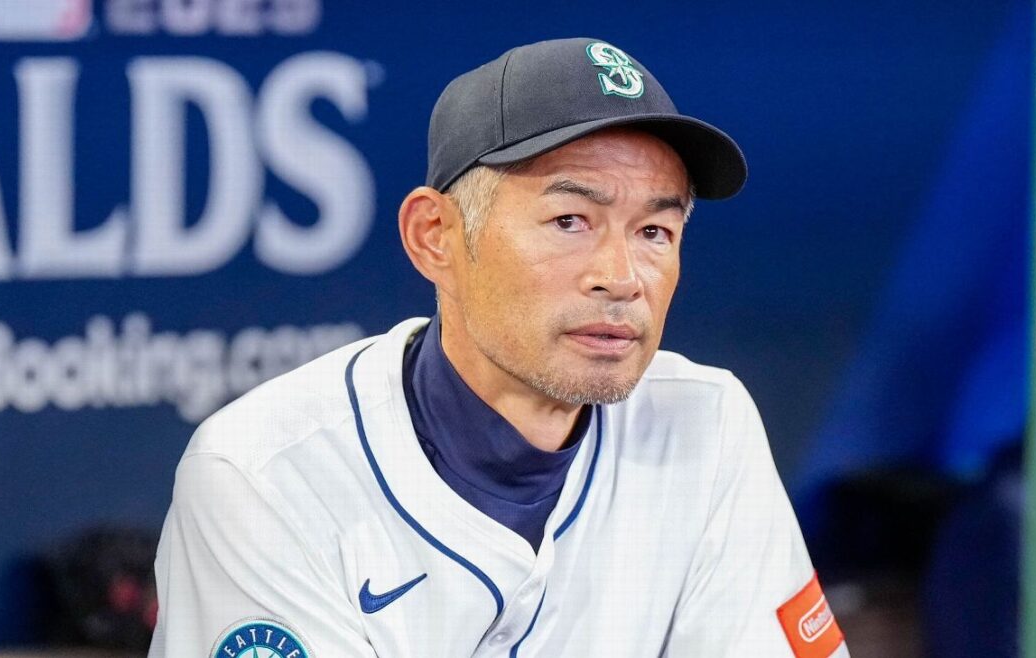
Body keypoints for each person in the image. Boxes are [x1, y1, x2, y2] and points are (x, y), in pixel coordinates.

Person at [149, 37, 849, 657]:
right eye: (571, 219)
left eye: (654, 233)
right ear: (436, 237)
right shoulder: (263, 472)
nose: (622, 278)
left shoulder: (706, 423)